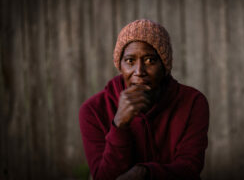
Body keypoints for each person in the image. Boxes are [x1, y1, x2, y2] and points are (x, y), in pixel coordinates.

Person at [79, 19, 209, 180]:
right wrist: (119, 124)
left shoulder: (192, 102)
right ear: (120, 66)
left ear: (165, 66)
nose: (139, 71)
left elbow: (190, 168)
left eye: (150, 60)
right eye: (130, 61)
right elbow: (103, 177)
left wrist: (144, 173)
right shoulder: (93, 110)